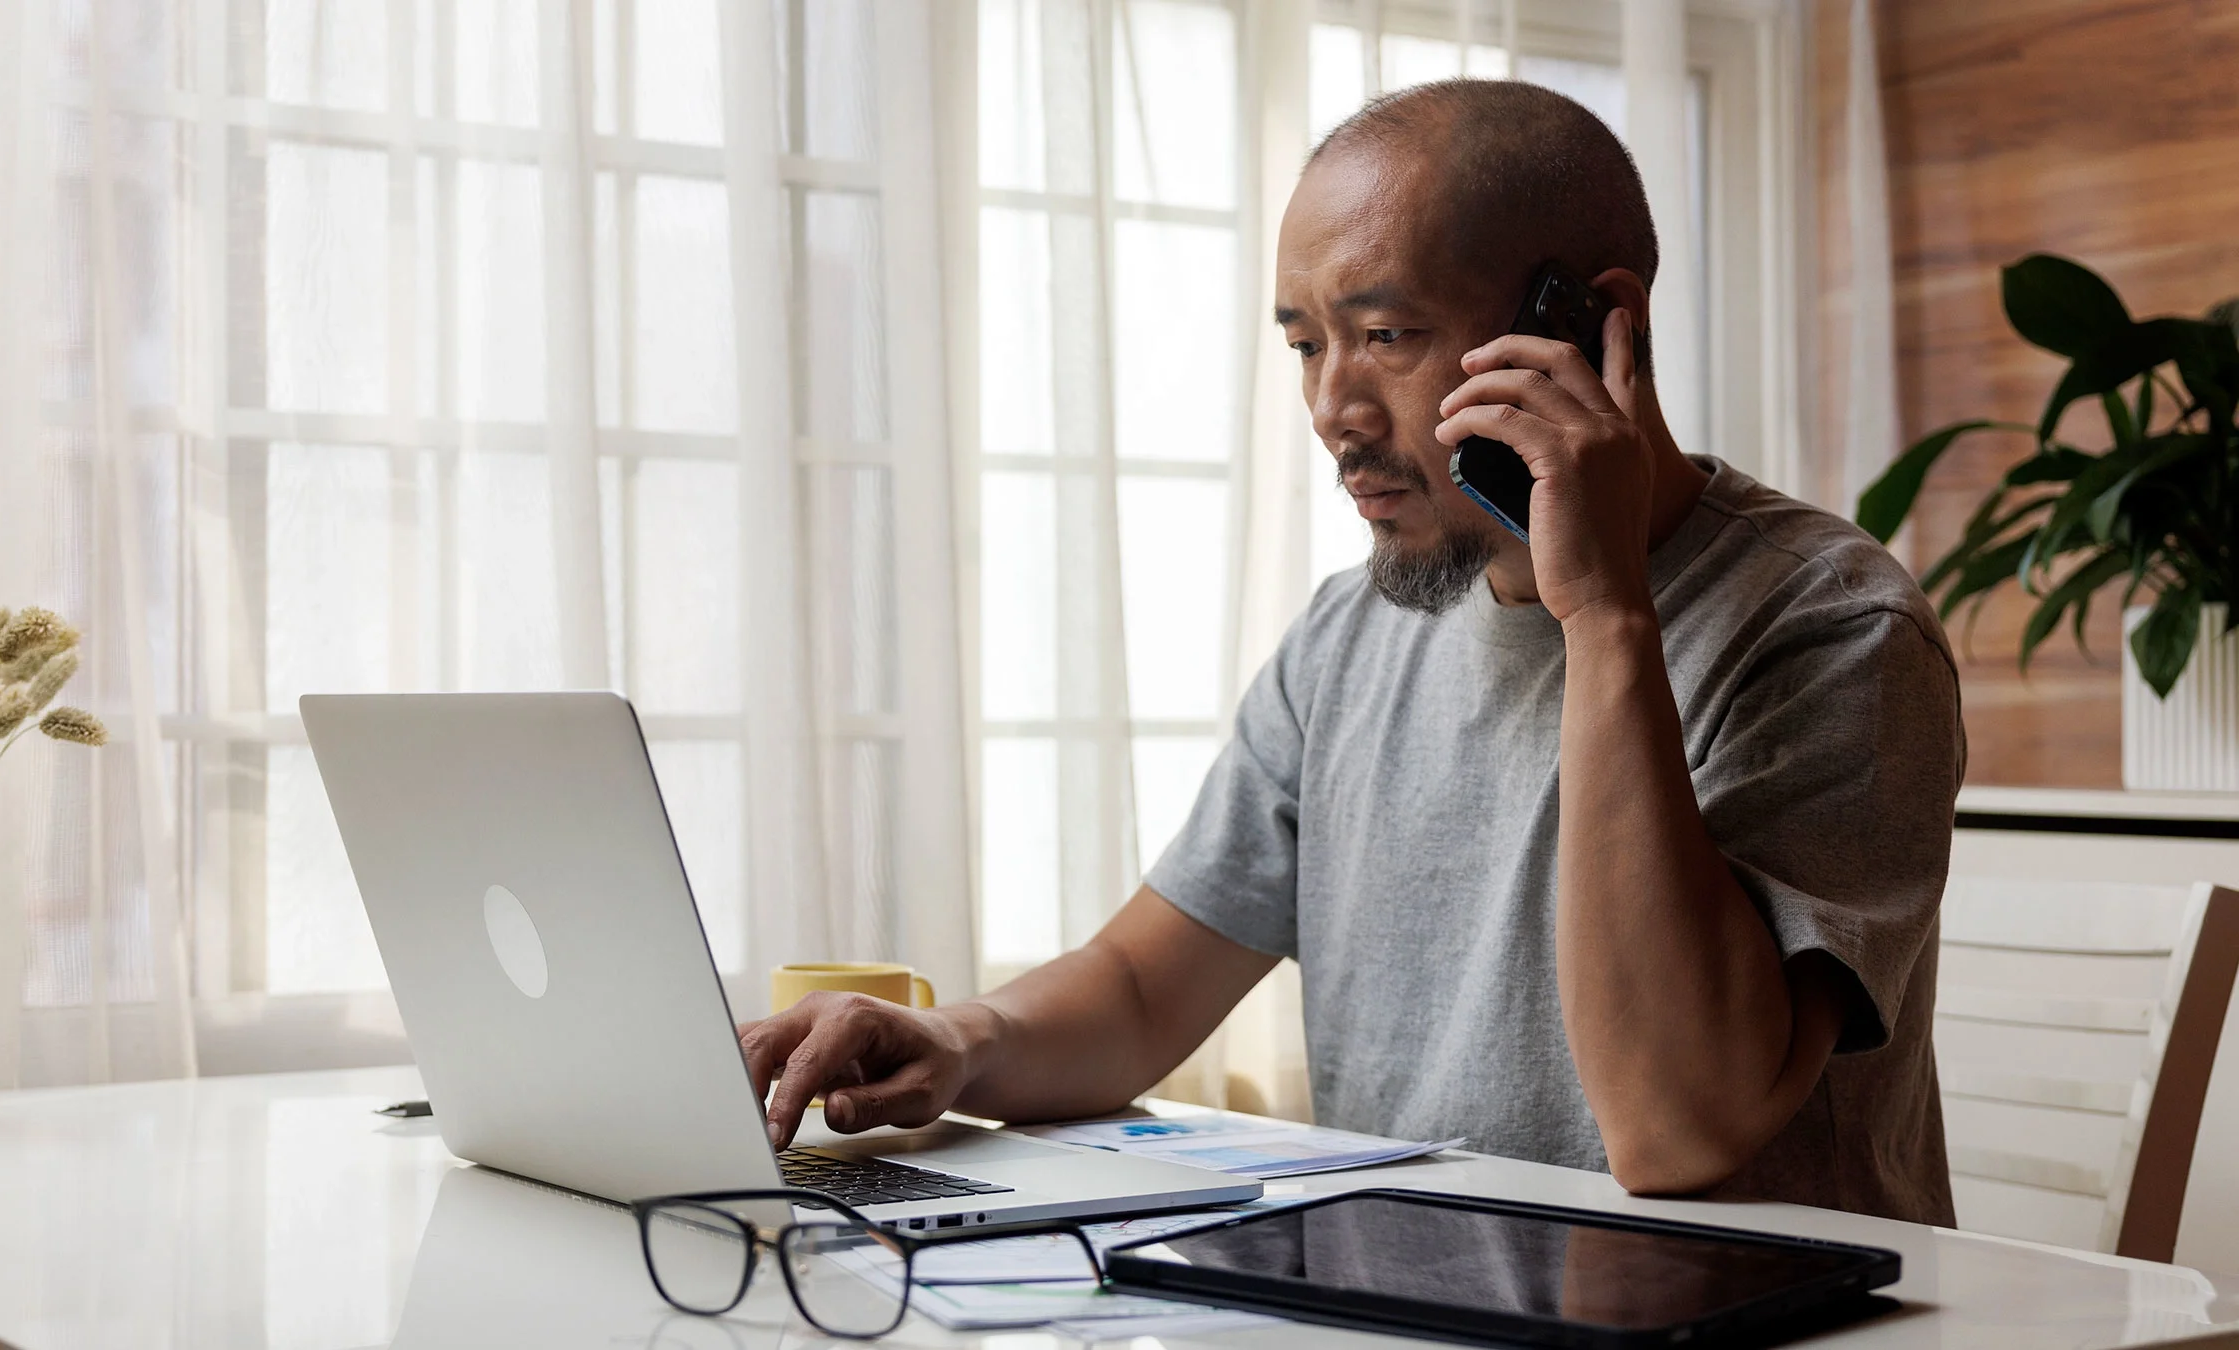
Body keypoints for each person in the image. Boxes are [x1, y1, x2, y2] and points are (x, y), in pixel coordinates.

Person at [742, 79, 1963, 1222]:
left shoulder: (1834, 630)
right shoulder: (1349, 636)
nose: (1334, 408)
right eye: (1306, 345)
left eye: (1384, 333)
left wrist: (1603, 619)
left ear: (1592, 325)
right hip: (1420, 1298)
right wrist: (959, 1041)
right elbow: (1140, 988)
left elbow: (1677, 1129)